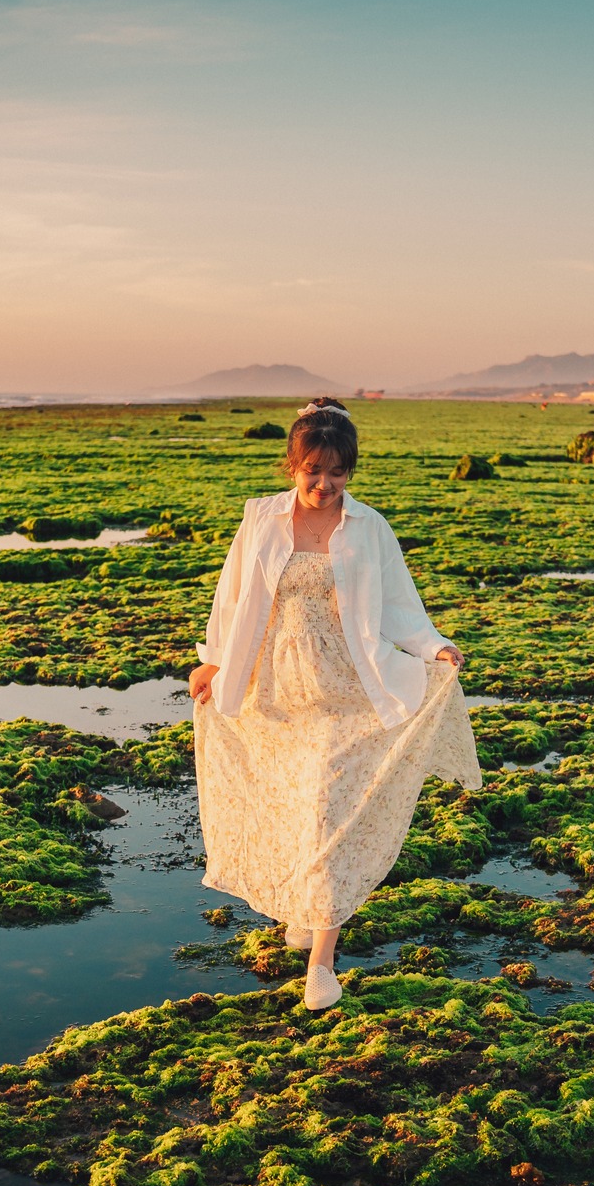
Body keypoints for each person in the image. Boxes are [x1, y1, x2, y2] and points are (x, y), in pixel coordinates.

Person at [188, 399, 481, 1011]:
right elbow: (232, 596)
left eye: (337, 473)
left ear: (351, 471)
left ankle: (321, 960)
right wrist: (212, 661)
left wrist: (435, 646)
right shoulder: (261, 521)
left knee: (326, 805)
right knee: (291, 803)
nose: (324, 485)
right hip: (274, 689)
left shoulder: (369, 528)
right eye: (312, 471)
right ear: (291, 466)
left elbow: (400, 607)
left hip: (348, 690)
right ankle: (305, 904)